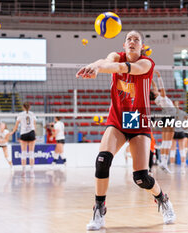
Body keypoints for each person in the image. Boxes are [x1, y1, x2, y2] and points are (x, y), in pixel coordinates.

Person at [76, 30, 175, 231]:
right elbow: (108, 60)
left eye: (136, 39)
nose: (132, 41)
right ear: (124, 45)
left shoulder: (146, 64)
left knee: (141, 178)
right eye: (128, 39)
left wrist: (100, 67)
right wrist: (94, 66)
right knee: (102, 160)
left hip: (138, 122)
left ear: (141, 46)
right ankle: (99, 209)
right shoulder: (114, 56)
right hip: (118, 120)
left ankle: (162, 199)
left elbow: (121, 67)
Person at [150, 70, 176, 173]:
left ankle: (163, 162)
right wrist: (159, 76)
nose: (155, 89)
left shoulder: (157, 99)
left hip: (165, 117)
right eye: (154, 91)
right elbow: (161, 87)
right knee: (168, 141)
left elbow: (155, 86)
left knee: (165, 141)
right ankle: (164, 162)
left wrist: (148, 76)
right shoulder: (162, 97)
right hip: (170, 117)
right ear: (155, 94)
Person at [11, 102, 37, 178]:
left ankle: (24, 171)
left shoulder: (20, 114)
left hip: (24, 134)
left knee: (24, 153)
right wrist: (34, 134)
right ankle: (32, 172)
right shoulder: (32, 114)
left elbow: (16, 125)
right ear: (30, 107)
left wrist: (12, 132)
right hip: (31, 133)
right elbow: (34, 125)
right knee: (31, 153)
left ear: (23, 107)